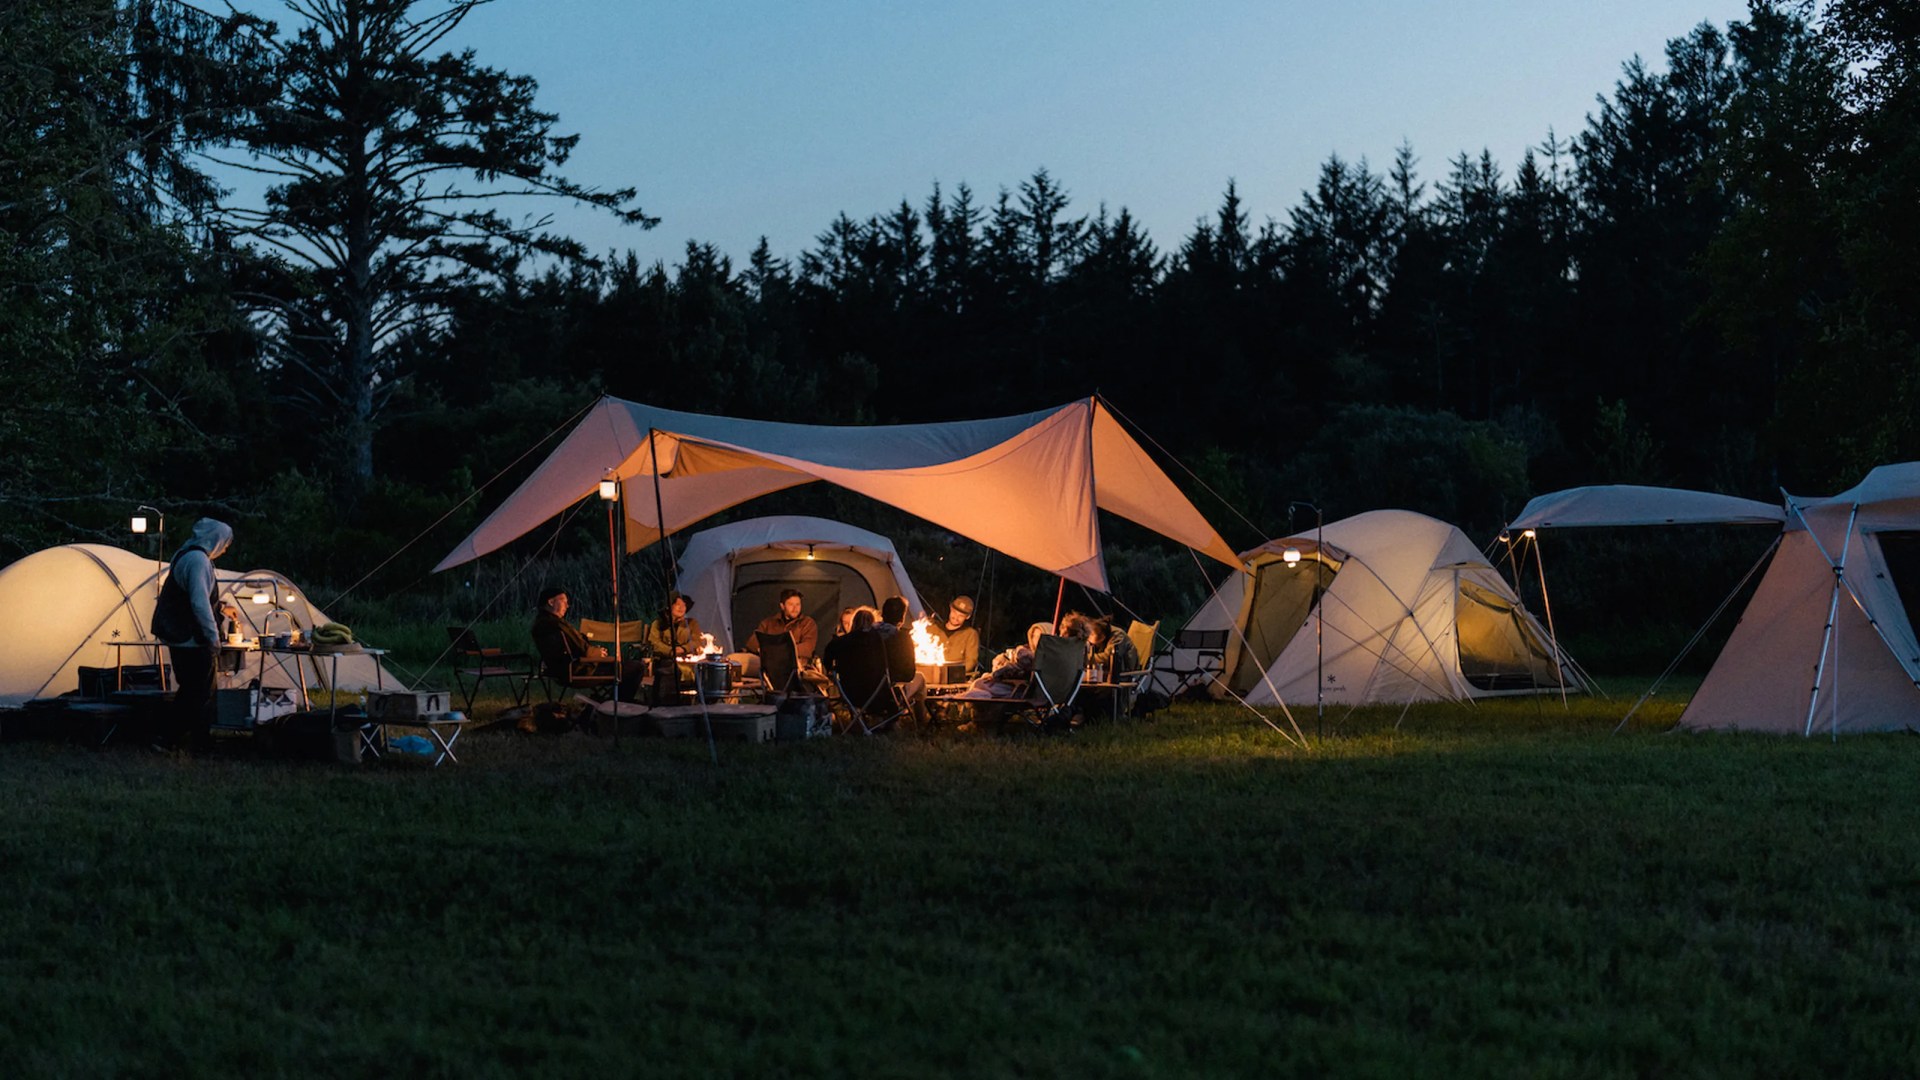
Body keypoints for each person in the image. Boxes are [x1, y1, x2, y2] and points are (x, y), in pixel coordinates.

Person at [150, 518, 239, 753]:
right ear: (216, 539)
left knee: (195, 691)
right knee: (196, 692)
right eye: (226, 543)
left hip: (182, 636)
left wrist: (220, 608)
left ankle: (199, 741)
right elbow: (198, 602)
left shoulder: (187, 555)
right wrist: (213, 638)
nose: (226, 548)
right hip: (190, 638)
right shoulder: (197, 560)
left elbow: (193, 595)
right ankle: (167, 738)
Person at [530, 588, 643, 700]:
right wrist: (596, 653)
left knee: (622, 666)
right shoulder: (556, 625)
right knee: (636, 667)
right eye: (564, 601)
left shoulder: (540, 623)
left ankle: (608, 702)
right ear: (551, 602)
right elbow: (583, 651)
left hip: (559, 671)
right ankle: (618, 705)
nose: (567, 605)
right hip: (578, 671)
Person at [876, 595, 927, 717]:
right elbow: (909, 673)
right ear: (902, 618)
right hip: (887, 692)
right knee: (920, 678)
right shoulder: (901, 638)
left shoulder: (867, 633)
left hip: (863, 690)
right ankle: (920, 722)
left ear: (882, 614)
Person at [744, 588, 819, 667]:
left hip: (796, 664)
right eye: (791, 604)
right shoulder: (768, 623)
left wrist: (781, 651)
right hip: (769, 662)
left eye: (798, 604)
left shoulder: (807, 623)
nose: (795, 608)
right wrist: (768, 650)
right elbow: (752, 642)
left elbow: (807, 648)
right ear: (782, 606)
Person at [932, 594, 980, 675]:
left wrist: (953, 673)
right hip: (931, 674)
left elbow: (971, 661)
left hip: (956, 679)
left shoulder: (970, 634)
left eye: (961, 615)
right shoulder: (934, 629)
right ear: (950, 608)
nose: (956, 617)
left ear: (967, 617)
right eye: (954, 612)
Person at [645, 593, 703, 658]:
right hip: (663, 660)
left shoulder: (692, 623)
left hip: (686, 658)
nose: (681, 608)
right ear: (669, 606)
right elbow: (654, 643)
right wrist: (671, 651)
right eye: (678, 604)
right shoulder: (658, 623)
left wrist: (683, 648)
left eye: (684, 605)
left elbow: (697, 641)